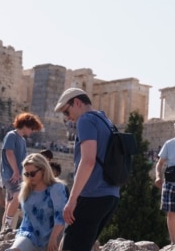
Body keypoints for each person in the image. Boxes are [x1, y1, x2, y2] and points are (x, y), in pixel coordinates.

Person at [53, 87, 120, 251]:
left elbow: (88, 160)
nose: (68, 119)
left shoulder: (86, 120)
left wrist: (72, 199)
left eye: (66, 112)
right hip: (110, 195)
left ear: (76, 102)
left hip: (92, 195)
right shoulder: (106, 121)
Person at [6, 153, 67, 251]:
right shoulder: (26, 189)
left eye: (33, 173)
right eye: (27, 174)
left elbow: (60, 217)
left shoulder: (56, 188)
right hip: (29, 233)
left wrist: (53, 238)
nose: (29, 177)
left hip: (53, 233)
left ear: (43, 170)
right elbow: (27, 218)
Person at [1, 112, 44, 231]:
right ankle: (9, 224)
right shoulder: (11, 135)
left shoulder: (22, 141)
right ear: (25, 125)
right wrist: (15, 171)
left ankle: (5, 227)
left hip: (16, 175)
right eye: (31, 128)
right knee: (18, 195)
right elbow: (9, 153)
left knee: (11, 201)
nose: (32, 131)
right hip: (11, 175)